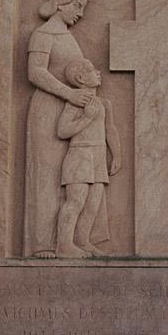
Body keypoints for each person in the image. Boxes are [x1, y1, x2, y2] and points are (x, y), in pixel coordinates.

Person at [24, 0, 94, 258]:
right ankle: (43, 243)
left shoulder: (67, 35)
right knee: (48, 175)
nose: (80, 13)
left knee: (69, 178)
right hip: (48, 109)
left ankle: (68, 240)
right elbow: (36, 73)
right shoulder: (43, 34)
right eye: (77, 5)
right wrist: (69, 94)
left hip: (69, 111)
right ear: (61, 2)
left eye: (83, 8)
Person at [55, 59, 121, 258]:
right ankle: (64, 246)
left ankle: (83, 241)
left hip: (99, 155)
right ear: (81, 78)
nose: (98, 72)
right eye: (92, 70)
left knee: (93, 204)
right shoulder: (75, 102)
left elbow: (111, 129)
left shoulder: (104, 103)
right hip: (80, 154)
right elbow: (63, 131)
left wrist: (117, 155)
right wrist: (87, 118)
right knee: (76, 201)